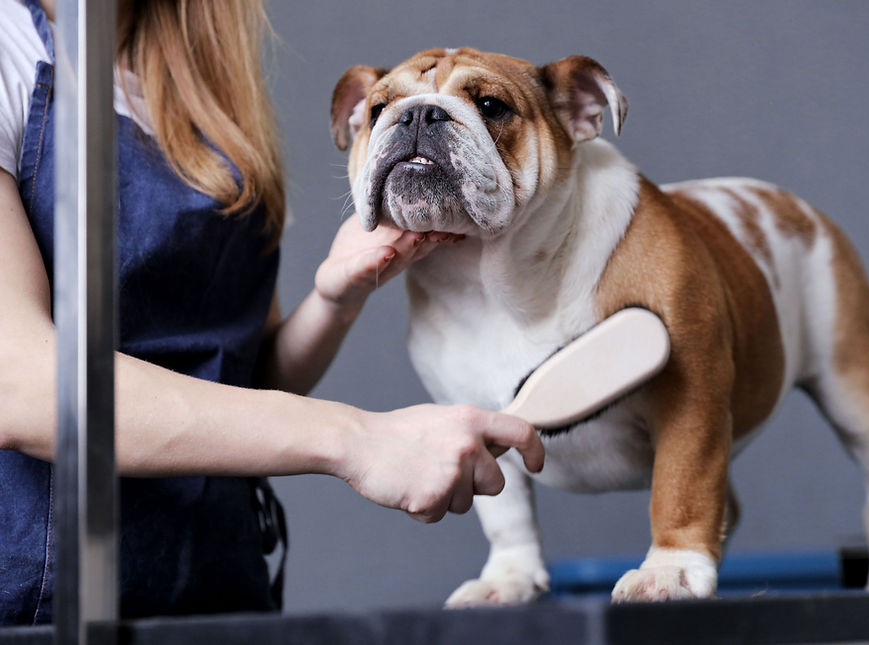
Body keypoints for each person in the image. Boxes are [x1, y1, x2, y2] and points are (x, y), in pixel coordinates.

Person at [0, 0, 543, 625]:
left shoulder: (207, 98)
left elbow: (243, 382)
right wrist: (357, 438)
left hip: (213, 584)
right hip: (37, 601)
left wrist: (337, 298)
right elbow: (23, 384)